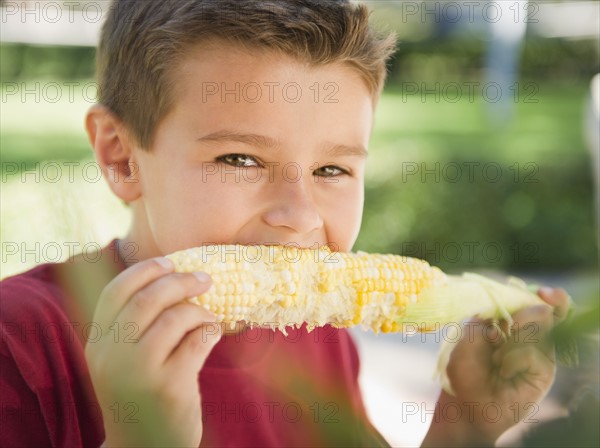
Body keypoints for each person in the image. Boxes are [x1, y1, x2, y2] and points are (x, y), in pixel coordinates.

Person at [0, 1, 570, 446]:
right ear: (122, 156)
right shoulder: (21, 343)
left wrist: (463, 428)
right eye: (240, 160)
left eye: (332, 168)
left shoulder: (320, 340)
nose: (299, 217)